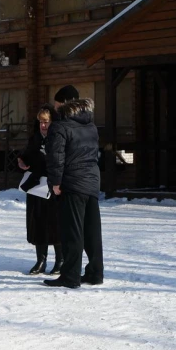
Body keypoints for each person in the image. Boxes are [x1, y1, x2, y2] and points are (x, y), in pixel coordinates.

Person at [44, 85, 104, 289]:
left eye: (57, 103)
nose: (55, 107)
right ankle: (96, 273)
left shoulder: (60, 126)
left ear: (64, 103)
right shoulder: (90, 125)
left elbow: (56, 157)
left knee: (72, 231)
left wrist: (56, 183)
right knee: (92, 230)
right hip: (91, 181)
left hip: (71, 183)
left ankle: (70, 276)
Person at [18, 104, 63, 275]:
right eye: (40, 122)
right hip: (37, 187)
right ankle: (40, 260)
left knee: (55, 224)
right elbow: (26, 154)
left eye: (46, 122)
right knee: (37, 222)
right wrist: (22, 161)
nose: (43, 126)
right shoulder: (35, 138)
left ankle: (60, 260)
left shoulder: (59, 137)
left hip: (54, 187)